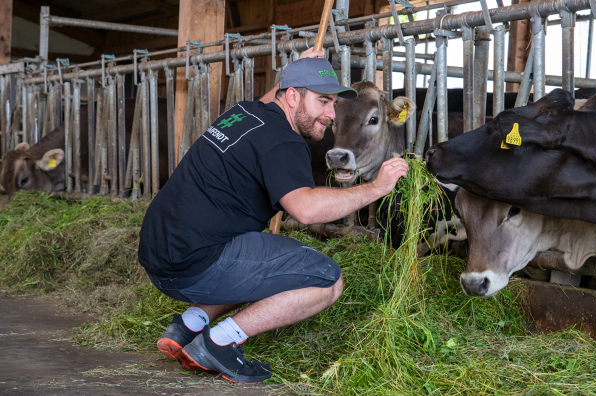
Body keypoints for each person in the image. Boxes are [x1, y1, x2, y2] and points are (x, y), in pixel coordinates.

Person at [137, 48, 409, 384]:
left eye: (332, 104)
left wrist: (299, 67)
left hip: (157, 250)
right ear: (293, 95)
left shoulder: (245, 112)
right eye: (323, 102)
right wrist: (377, 187)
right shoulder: (284, 143)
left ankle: (188, 326)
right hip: (193, 265)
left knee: (267, 260)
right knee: (326, 280)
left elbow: (273, 100)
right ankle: (219, 342)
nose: (330, 115)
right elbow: (306, 211)